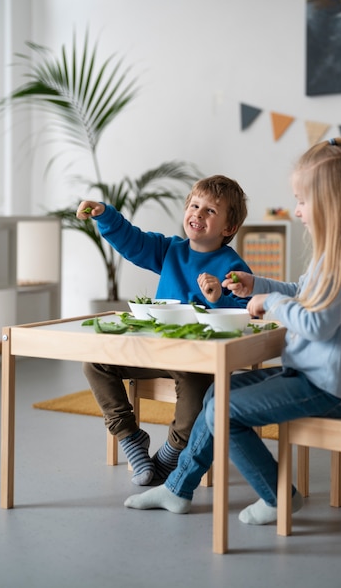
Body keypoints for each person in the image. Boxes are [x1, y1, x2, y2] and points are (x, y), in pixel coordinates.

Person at [123, 137, 341, 525]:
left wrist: (272, 305)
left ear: (331, 201)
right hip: (310, 376)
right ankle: (178, 488)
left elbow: (317, 322)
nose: (297, 211)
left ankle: (276, 496)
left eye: (302, 200)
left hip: (330, 388)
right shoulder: (336, 251)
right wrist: (257, 285)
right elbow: (302, 294)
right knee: (219, 392)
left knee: (226, 412)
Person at [76, 175, 252, 486]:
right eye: (195, 206)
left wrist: (219, 297)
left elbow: (247, 310)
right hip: (156, 350)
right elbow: (134, 241)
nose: (198, 214)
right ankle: (130, 437)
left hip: (196, 360)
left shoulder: (231, 265)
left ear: (228, 228)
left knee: (198, 390)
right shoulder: (171, 250)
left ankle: (171, 453)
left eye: (210, 211)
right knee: (95, 361)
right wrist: (105, 214)